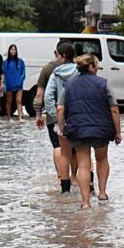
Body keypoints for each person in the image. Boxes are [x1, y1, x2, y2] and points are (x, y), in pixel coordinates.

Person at [57, 54, 121, 209]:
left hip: (78, 129)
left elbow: (60, 108)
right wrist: (118, 132)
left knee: (83, 165)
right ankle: (103, 194)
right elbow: (114, 110)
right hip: (101, 129)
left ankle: (85, 202)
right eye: (97, 66)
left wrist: (62, 128)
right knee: (102, 159)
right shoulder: (104, 84)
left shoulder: (69, 85)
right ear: (92, 67)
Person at [44, 41, 79, 194]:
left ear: (63, 56)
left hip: (62, 116)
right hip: (79, 116)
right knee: (80, 152)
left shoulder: (56, 73)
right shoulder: (80, 71)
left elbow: (47, 96)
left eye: (58, 54)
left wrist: (54, 113)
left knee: (64, 153)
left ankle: (65, 189)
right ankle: (80, 180)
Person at [34, 50, 64, 185]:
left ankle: (61, 178)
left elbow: (40, 95)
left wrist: (39, 115)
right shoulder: (76, 67)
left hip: (53, 115)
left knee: (57, 146)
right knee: (76, 150)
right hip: (74, 114)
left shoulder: (47, 68)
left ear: (55, 52)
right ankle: (75, 177)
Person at [2, 44, 26, 122]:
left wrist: (20, 81)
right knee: (9, 101)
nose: (13, 51)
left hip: (19, 85)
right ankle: (9, 117)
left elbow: (23, 73)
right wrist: (5, 84)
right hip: (9, 85)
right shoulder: (5, 62)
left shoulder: (20, 61)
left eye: (14, 49)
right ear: (9, 51)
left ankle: (20, 117)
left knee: (19, 101)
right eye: (11, 49)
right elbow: (3, 73)